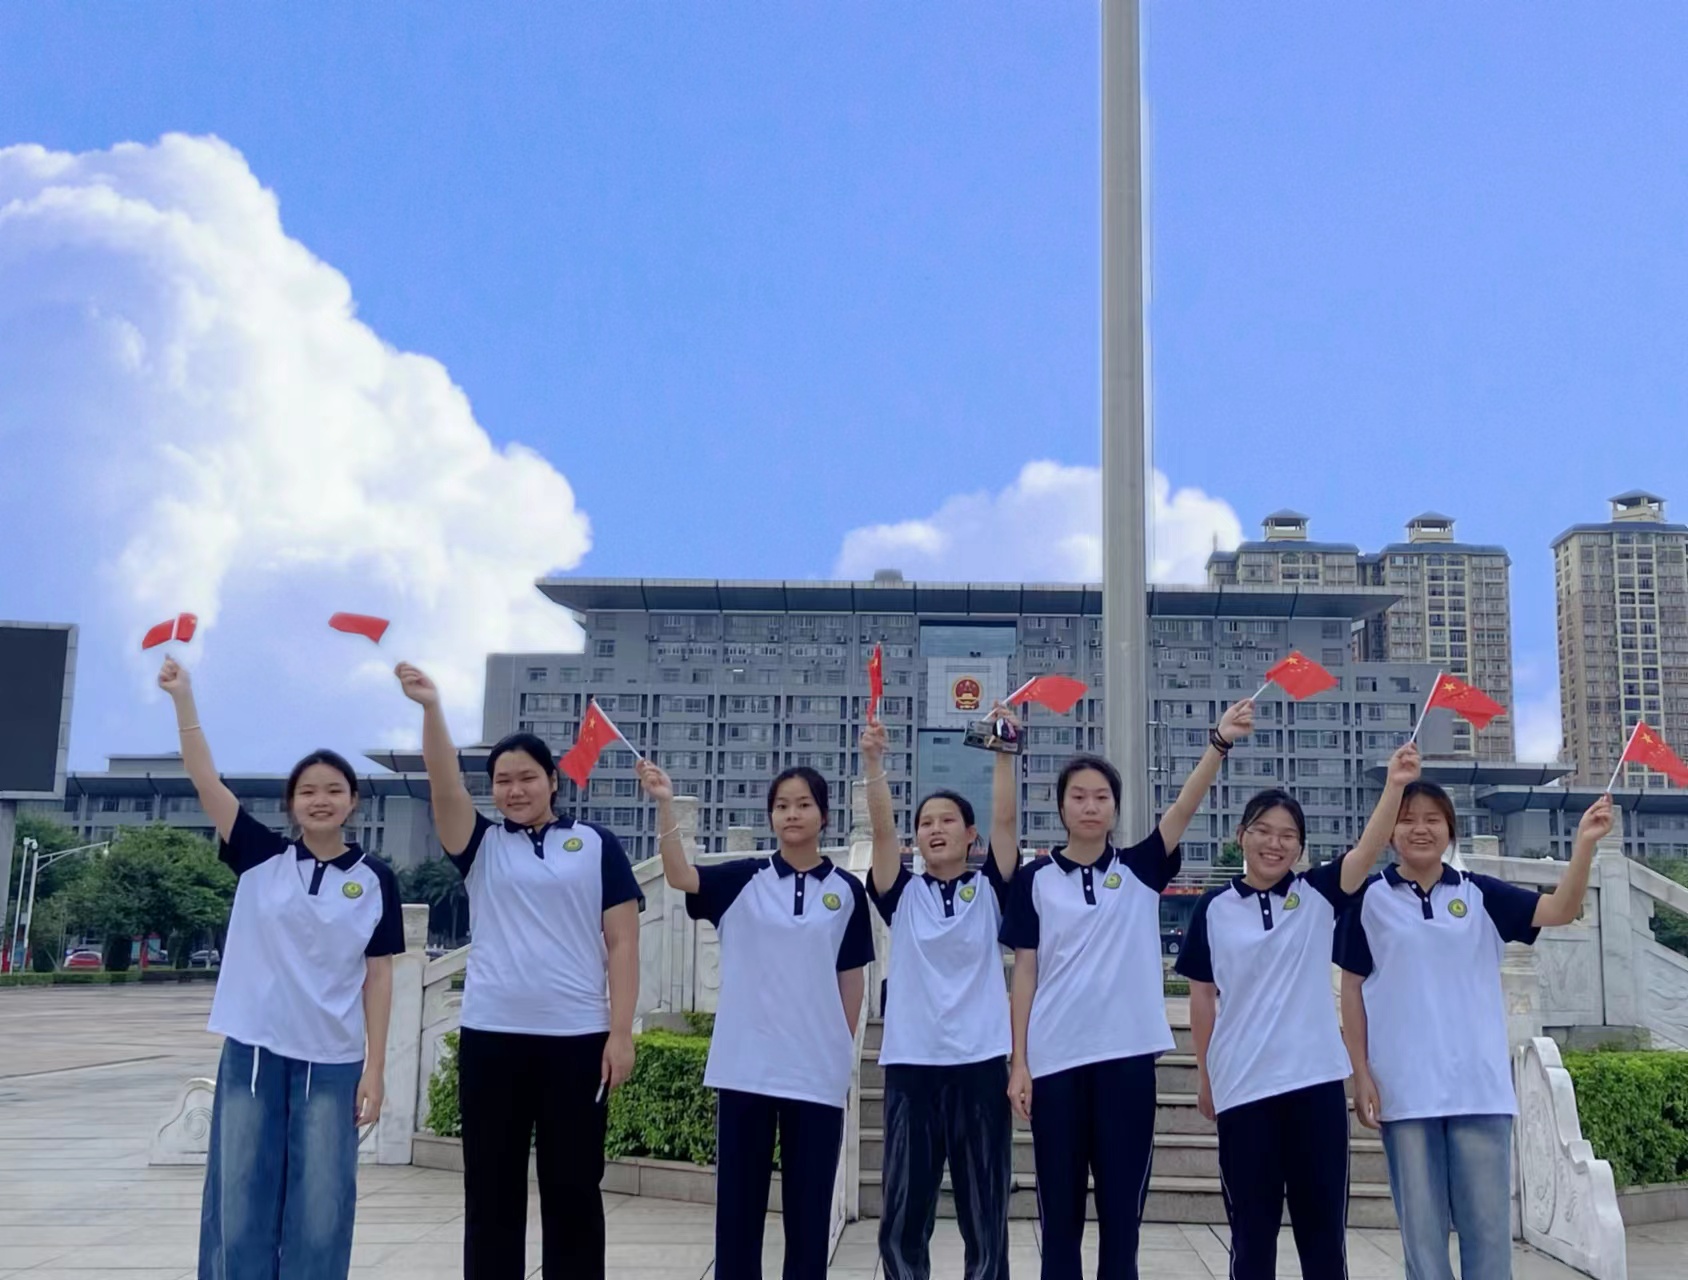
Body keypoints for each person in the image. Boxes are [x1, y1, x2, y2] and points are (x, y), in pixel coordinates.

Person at [159, 657, 403, 1280]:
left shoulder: (376, 879)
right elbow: (204, 778)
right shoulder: (259, 857)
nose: (321, 800)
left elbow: (378, 976)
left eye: (334, 789)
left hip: (333, 1060)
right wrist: (184, 699)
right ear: (292, 803)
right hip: (254, 1052)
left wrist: (375, 1068)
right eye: (308, 790)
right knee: (240, 1197)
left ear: (353, 801)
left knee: (322, 1205)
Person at [397, 664, 643, 1280]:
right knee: (491, 1190)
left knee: (574, 1189)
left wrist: (620, 1033)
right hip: (493, 1038)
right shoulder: (481, 845)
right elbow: (443, 783)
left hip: (577, 1040)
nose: (514, 789)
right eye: (502, 781)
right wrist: (431, 708)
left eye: (527, 777)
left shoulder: (597, 845)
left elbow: (623, 944)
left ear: (552, 781)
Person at [1000, 698, 1254, 1280]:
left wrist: (1218, 742)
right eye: (1078, 796)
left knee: (1122, 1220)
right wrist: (1020, 1062)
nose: (1090, 806)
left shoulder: (1140, 869)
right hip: (1056, 1064)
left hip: (1127, 1063)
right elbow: (1025, 973)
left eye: (1101, 797)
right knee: (1058, 1219)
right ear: (1061, 806)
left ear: (1115, 807)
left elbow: (1184, 807)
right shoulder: (1035, 880)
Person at [1337, 780, 1613, 1280]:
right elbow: (1352, 990)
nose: (1420, 829)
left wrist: (1585, 845)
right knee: (1423, 1242)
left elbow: (1560, 910)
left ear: (1450, 830)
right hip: (1407, 1094)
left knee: (1487, 1238)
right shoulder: (1368, 900)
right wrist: (1361, 1073)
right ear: (1389, 832)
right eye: (1407, 819)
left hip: (1479, 1091)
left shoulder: (1480, 893)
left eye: (1432, 819)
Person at [1174, 742, 1422, 1280]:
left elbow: (1366, 850)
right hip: (1243, 1089)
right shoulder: (1213, 908)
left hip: (1315, 1087)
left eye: (1288, 835)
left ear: (1300, 847)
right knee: (1252, 1237)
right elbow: (1202, 997)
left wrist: (1395, 785)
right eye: (1263, 830)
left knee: (1323, 1238)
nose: (1274, 843)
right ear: (1241, 835)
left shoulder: (1317, 896)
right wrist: (1206, 1076)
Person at [640, 758, 874, 1280]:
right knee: (739, 1214)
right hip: (745, 1068)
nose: (792, 814)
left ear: (824, 815)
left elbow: (851, 977)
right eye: (782, 806)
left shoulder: (846, 892)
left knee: (809, 1215)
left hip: (814, 1073)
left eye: (804, 804)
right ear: (771, 816)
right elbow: (680, 876)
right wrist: (664, 805)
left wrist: (839, 1048)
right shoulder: (742, 879)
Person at [863, 704, 1021, 1280]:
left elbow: (1006, 823)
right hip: (913, 1067)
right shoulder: (901, 894)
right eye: (926, 822)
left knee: (986, 1210)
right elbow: (882, 832)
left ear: (969, 834)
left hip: (980, 1066)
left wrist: (1003, 753)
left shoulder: (991, 891)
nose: (935, 828)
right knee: (905, 1212)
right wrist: (874, 764)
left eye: (948, 819)